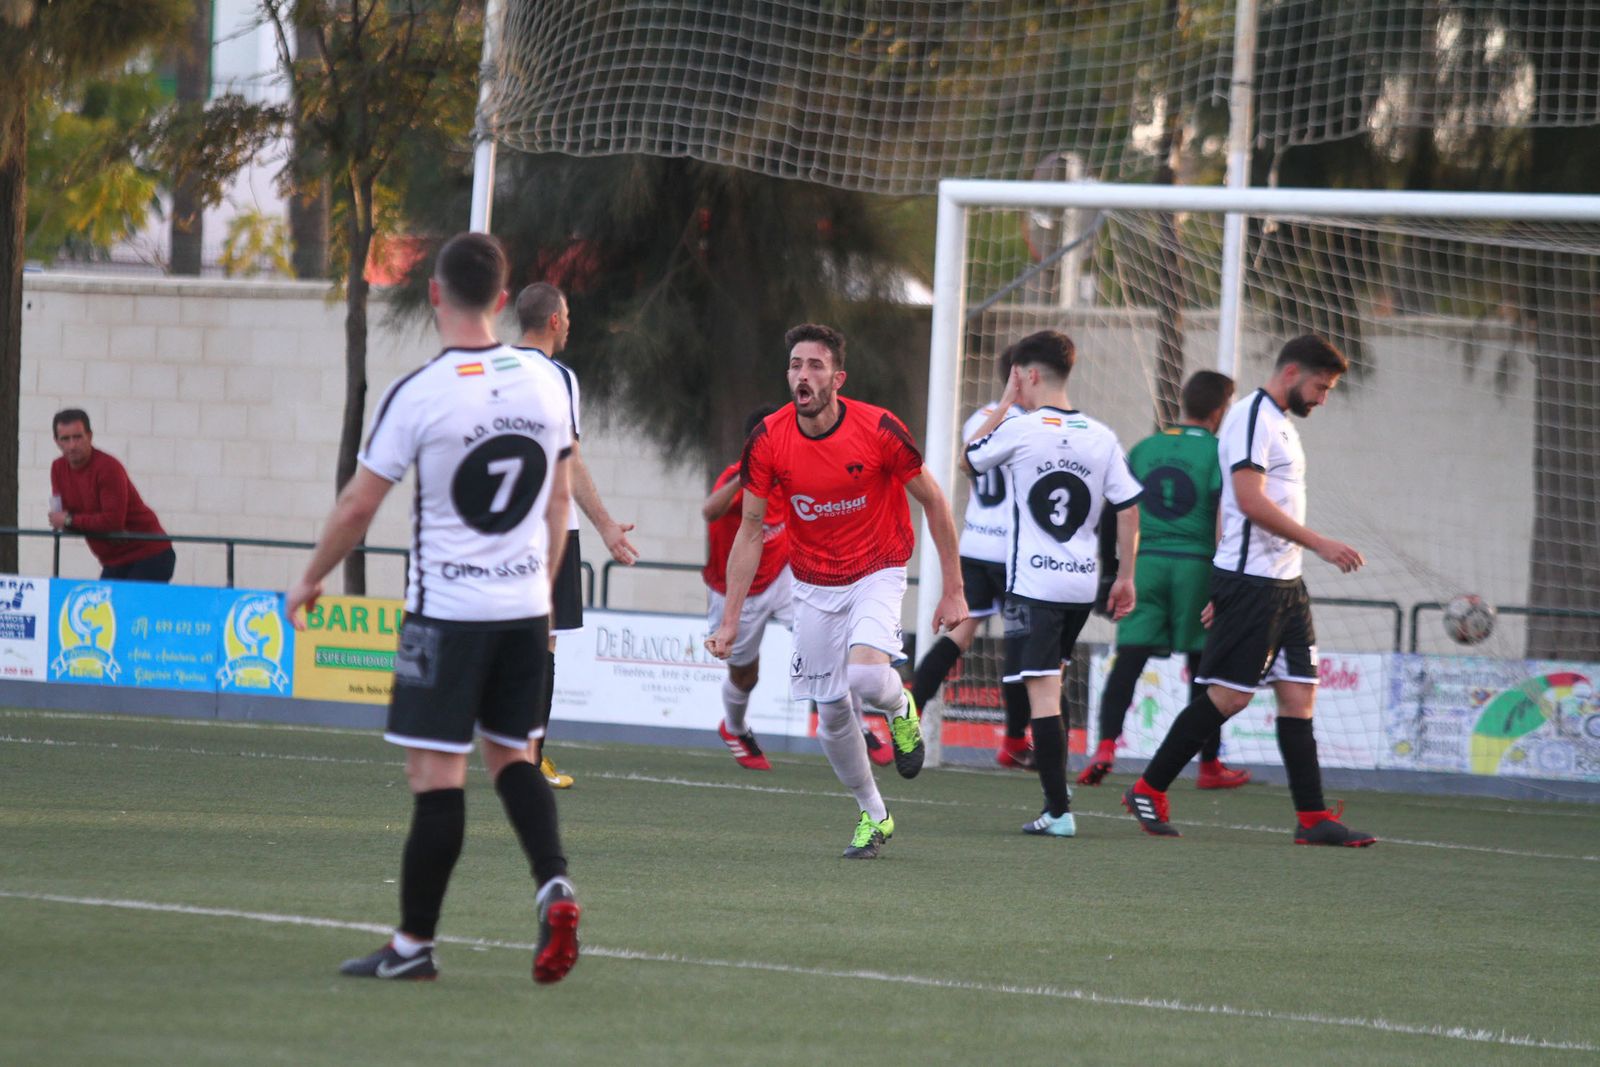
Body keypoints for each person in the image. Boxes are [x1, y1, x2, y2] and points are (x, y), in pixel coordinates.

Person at [286, 232, 582, 982]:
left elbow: (358, 505)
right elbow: (558, 500)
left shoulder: (421, 391)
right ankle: (554, 882)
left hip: (447, 614)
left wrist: (309, 577)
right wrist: (542, 594)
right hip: (523, 608)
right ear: (505, 298)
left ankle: (413, 947)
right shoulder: (550, 383)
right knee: (514, 756)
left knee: (438, 776)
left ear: (434, 295)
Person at [706, 323, 968, 859]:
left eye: (816, 366)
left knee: (868, 675)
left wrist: (953, 591)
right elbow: (749, 530)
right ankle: (875, 815)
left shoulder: (879, 429)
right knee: (829, 715)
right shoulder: (768, 440)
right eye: (796, 365)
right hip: (813, 582)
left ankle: (900, 707)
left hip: (879, 565)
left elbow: (935, 501)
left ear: (837, 378)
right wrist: (730, 620)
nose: (803, 375)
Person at [1122, 334, 1375, 846]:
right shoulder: (1251, 417)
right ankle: (1148, 787)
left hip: (1285, 586)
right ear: (1291, 373)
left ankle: (1312, 820)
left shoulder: (1281, 423)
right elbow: (1247, 500)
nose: (1323, 398)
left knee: (1299, 697)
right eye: (1321, 387)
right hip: (1252, 585)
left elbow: (1227, 511)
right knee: (1230, 697)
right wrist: (1320, 543)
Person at [964, 330, 1143, 837]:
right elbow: (1128, 509)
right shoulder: (1102, 436)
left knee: (1043, 694)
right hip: (1080, 589)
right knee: (1052, 684)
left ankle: (1059, 812)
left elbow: (969, 459)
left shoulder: (1021, 429)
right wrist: (1124, 577)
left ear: (1029, 375)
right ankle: (1057, 797)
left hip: (1034, 587)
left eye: (1015, 377)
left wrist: (1002, 405)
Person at [1079, 370, 1253, 790]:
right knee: (1204, 669)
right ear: (1220, 410)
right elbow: (1222, 513)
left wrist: (1109, 572)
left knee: (1130, 660)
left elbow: (1112, 511)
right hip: (1195, 566)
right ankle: (1209, 765)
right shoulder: (1220, 451)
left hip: (1146, 563)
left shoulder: (1145, 447)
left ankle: (1104, 747)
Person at [514, 282, 641, 790]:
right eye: (566, 314)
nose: (569, 323)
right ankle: (527, 757)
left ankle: (504, 748)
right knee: (541, 638)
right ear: (553, 321)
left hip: (494, 526)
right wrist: (607, 525)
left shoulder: (489, 367)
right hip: (547, 528)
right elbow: (570, 461)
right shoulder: (557, 376)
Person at [907, 347, 1036, 770]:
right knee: (1025, 648)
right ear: (1025, 376)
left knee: (958, 639)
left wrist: (1002, 404)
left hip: (977, 545)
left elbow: (972, 453)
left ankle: (908, 712)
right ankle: (1015, 740)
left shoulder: (978, 417)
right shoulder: (1032, 425)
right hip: (1013, 555)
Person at [702, 404, 792, 770]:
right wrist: (747, 474)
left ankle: (860, 726)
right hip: (737, 588)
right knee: (744, 674)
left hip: (784, 575)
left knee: (826, 638)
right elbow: (709, 511)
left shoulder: (792, 472)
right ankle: (735, 727)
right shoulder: (736, 477)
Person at [47, 409, 176, 582]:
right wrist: (82, 523)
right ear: (57, 442)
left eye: (78, 437)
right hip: (113, 560)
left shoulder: (108, 467)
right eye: (65, 439)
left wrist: (71, 520)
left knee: (129, 608)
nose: (72, 445)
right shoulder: (57, 468)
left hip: (149, 553)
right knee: (105, 608)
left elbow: (111, 521)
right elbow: (61, 519)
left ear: (90, 436)